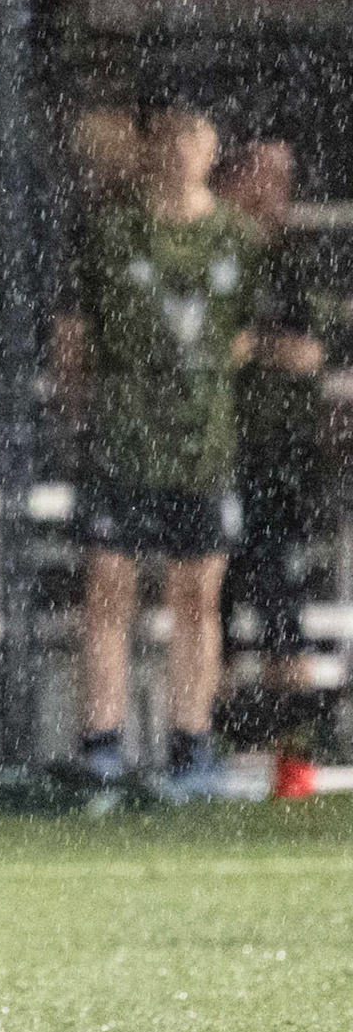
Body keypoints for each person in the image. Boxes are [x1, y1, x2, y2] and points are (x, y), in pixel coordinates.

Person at [55, 102, 263, 798]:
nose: (181, 149)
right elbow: (74, 336)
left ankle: (190, 744)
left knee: (198, 595)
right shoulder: (112, 231)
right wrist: (86, 410)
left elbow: (247, 338)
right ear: (151, 144)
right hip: (122, 440)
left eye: (194, 135)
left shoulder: (238, 238)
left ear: (213, 146)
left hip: (203, 446)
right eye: (170, 135)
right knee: (108, 589)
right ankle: (102, 745)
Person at [217, 140, 333, 797]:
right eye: (269, 175)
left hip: (279, 463)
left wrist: (254, 347)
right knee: (209, 609)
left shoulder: (290, 261)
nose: (281, 190)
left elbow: (308, 354)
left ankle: (294, 762)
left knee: (283, 615)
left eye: (287, 177)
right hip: (214, 457)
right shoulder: (215, 248)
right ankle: (206, 755)